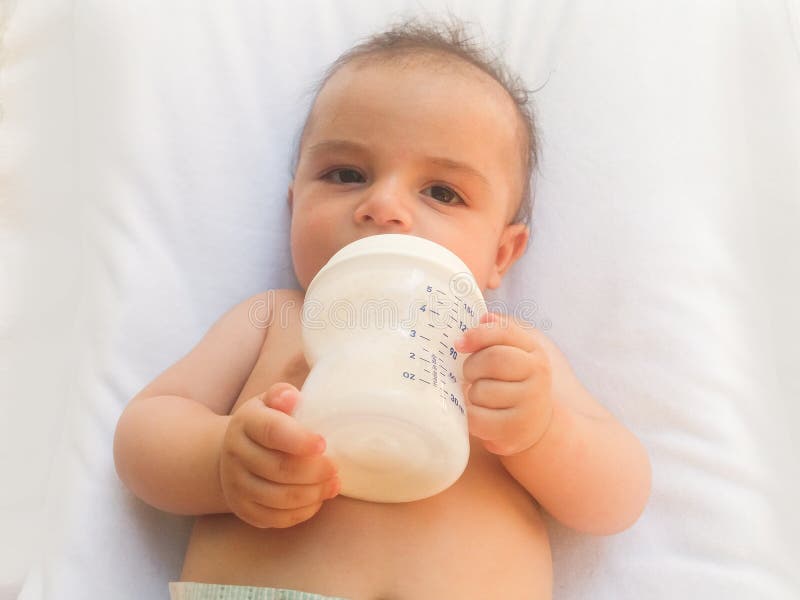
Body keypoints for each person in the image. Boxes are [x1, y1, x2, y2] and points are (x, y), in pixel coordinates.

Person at [114, 17, 651, 600]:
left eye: (442, 191)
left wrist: (542, 431)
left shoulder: (504, 349)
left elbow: (619, 497)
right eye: (346, 175)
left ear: (502, 252)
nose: (384, 205)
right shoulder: (274, 319)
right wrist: (220, 460)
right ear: (295, 204)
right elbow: (145, 431)